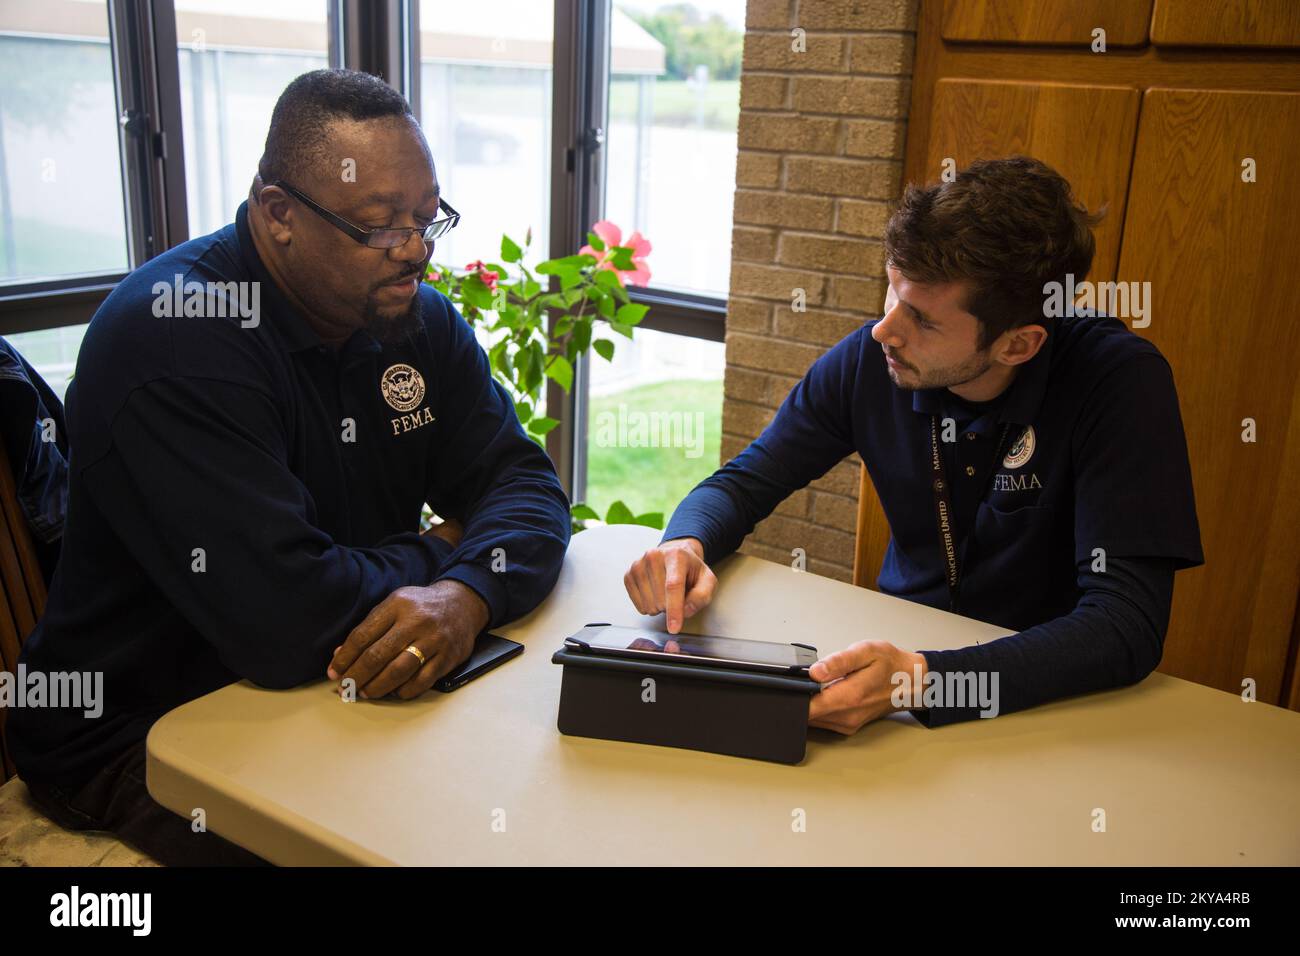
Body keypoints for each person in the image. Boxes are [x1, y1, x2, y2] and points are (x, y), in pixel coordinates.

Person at [9, 69, 570, 865]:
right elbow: (289, 621)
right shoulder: (176, 341)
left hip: (326, 698)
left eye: (427, 216)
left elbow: (527, 487)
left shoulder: (413, 317)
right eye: (379, 226)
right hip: (144, 728)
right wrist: (447, 545)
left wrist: (465, 591)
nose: (414, 250)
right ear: (279, 215)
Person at [624, 157, 1203, 735]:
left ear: (1019, 345)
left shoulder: (1119, 381)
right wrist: (685, 543)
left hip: (1046, 699)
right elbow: (744, 482)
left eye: (923, 320)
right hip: (895, 674)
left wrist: (918, 681)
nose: (885, 330)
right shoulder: (873, 360)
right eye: (891, 292)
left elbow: (1125, 625)